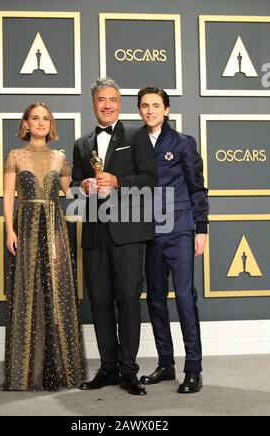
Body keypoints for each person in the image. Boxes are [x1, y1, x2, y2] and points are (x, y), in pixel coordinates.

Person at [71, 77, 156, 396]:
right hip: (94, 234)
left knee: (128, 303)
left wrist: (119, 182)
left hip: (129, 233)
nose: (107, 105)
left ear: (119, 104)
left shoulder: (137, 136)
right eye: (101, 100)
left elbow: (150, 179)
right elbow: (76, 182)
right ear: (93, 104)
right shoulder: (81, 143)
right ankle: (107, 368)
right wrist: (83, 186)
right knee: (100, 302)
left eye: (113, 100)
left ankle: (128, 370)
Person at [2, 102, 85, 391]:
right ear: (25, 124)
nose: (40, 123)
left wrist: (89, 186)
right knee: (29, 291)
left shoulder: (60, 157)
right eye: (34, 118)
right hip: (25, 226)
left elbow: (70, 194)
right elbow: (9, 196)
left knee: (57, 289)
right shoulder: (14, 155)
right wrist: (9, 229)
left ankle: (61, 370)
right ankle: (27, 372)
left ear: (51, 124)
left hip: (54, 226)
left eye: (45, 118)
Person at [137, 86, 209, 394]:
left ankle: (193, 367)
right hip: (147, 233)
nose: (150, 110)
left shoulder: (182, 143)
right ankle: (165, 364)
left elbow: (197, 188)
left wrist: (201, 227)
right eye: (144, 105)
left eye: (156, 105)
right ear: (139, 110)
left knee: (183, 298)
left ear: (166, 110)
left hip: (179, 230)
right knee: (155, 300)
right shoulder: (133, 142)